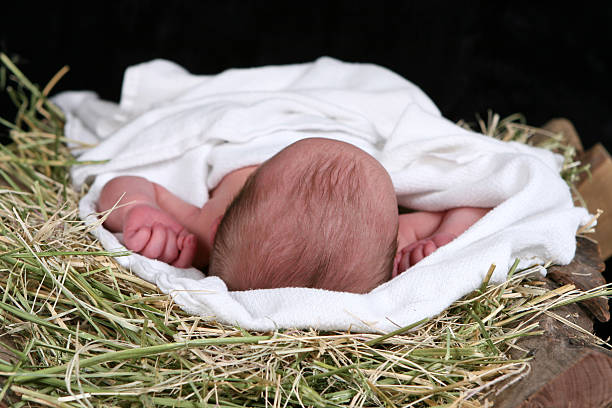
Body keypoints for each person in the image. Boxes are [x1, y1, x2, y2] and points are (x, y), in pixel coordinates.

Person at [98, 138, 490, 293]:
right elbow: (470, 203)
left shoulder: (203, 241)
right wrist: (446, 239)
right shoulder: (213, 235)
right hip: (270, 138)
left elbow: (125, 184)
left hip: (281, 138)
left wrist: (140, 210)